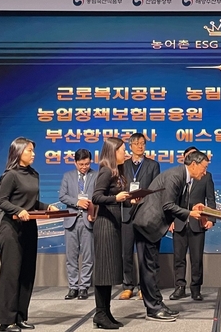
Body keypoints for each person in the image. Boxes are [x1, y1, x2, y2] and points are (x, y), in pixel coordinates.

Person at [131, 151, 207, 322]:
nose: (205, 172)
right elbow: (168, 205)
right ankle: (153, 309)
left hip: (153, 225)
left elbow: (176, 203)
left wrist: (193, 208)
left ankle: (157, 303)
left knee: (152, 267)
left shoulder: (184, 177)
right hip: (147, 224)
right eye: (204, 167)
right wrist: (190, 213)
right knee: (148, 269)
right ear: (194, 165)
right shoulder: (175, 176)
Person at [0, 137, 58, 332]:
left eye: (33, 150)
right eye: (29, 150)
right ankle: (6, 321)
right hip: (11, 228)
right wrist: (18, 210)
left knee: (27, 273)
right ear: (18, 152)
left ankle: (21, 316)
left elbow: (31, 203)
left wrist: (47, 207)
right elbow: (2, 201)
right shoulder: (10, 175)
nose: (33, 154)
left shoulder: (34, 174)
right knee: (11, 273)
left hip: (30, 226)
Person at [91, 137, 133, 329]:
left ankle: (106, 312)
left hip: (114, 224)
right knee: (103, 271)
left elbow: (117, 198)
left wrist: (130, 200)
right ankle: (100, 314)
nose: (126, 153)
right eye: (123, 150)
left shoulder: (118, 172)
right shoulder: (106, 170)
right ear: (113, 152)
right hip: (105, 225)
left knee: (109, 271)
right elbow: (96, 197)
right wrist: (116, 198)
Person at [169, 146, 216, 301]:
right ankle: (179, 287)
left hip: (197, 223)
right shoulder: (178, 176)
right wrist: (170, 220)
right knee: (179, 258)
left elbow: (211, 199)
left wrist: (211, 219)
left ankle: (196, 288)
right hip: (179, 222)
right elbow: (171, 201)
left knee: (196, 259)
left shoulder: (206, 176)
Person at [120, 133, 160, 300]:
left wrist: (143, 199)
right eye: (136, 143)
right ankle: (128, 286)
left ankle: (144, 287)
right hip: (127, 212)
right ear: (130, 146)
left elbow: (155, 189)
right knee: (126, 252)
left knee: (145, 253)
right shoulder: (123, 166)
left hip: (144, 213)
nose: (140, 146)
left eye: (143, 143)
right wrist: (128, 198)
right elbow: (119, 188)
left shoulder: (153, 165)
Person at [59, 148, 96, 301]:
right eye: (81, 164)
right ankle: (73, 287)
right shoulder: (67, 176)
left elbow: (98, 196)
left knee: (88, 256)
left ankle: (84, 287)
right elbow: (62, 196)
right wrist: (77, 202)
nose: (84, 167)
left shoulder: (96, 175)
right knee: (71, 256)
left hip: (88, 220)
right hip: (71, 219)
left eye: (87, 164)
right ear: (75, 163)